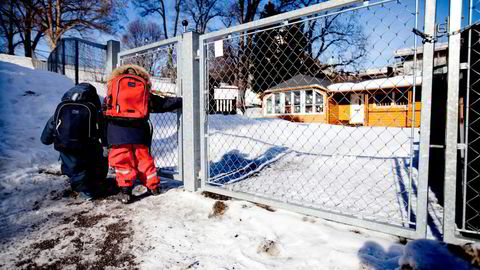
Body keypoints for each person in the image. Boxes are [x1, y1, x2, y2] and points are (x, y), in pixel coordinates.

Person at [105, 64, 182, 204]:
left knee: (122, 162)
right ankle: (153, 186)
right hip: (139, 130)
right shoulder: (143, 89)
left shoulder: (113, 86)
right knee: (144, 159)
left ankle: (126, 191)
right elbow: (161, 104)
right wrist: (179, 101)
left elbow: (106, 109)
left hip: (116, 130)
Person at [41, 83, 108, 200]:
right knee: (90, 165)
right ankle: (88, 192)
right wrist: (106, 144)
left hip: (64, 145)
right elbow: (102, 128)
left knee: (74, 168)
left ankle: (81, 185)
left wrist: (46, 139)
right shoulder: (94, 109)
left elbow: (52, 123)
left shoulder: (63, 106)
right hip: (87, 146)